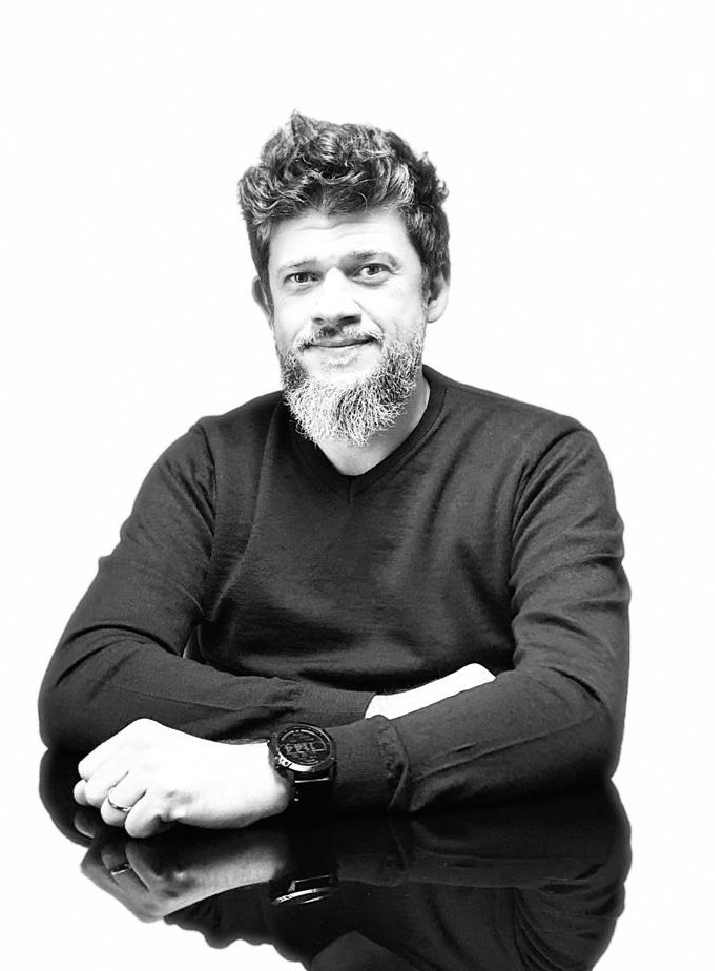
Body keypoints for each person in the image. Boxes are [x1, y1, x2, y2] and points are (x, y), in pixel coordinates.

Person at [38, 112, 629, 839]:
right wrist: (374, 717)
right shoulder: (209, 464)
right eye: (301, 279)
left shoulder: (544, 460)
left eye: (370, 271)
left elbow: (576, 707)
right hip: (238, 872)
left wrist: (283, 770)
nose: (332, 308)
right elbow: (87, 679)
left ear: (434, 287)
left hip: (472, 870)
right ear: (268, 304)